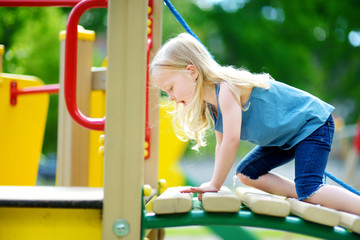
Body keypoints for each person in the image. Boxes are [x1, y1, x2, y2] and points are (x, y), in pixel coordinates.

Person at [150, 32, 360, 215]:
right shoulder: (212, 106)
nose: (170, 97)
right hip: (287, 136)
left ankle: (316, 195)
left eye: (170, 88)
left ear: (192, 72)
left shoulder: (225, 88)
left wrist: (214, 184)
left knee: (311, 188)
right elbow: (221, 146)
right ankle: (304, 193)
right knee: (247, 174)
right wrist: (214, 183)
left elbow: (232, 141)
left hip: (312, 125)